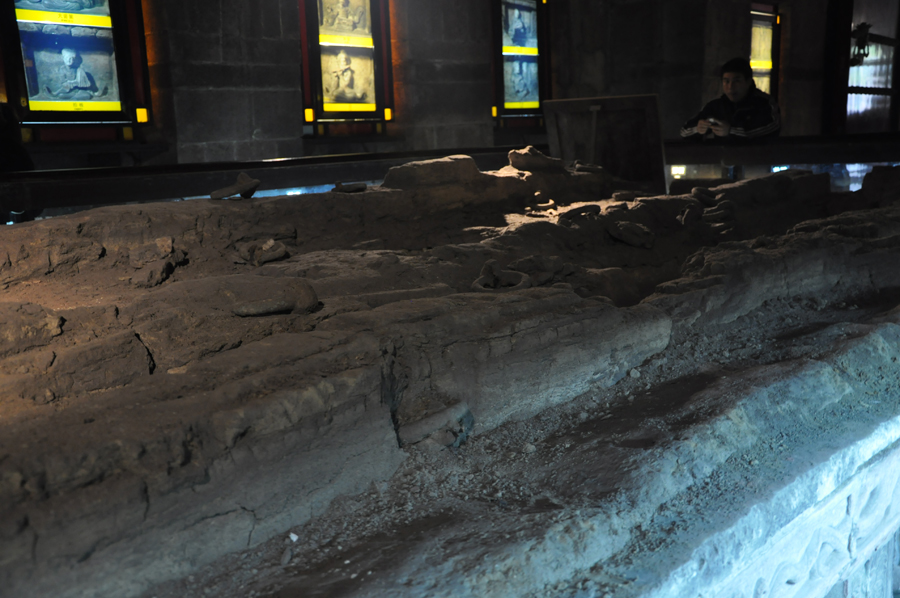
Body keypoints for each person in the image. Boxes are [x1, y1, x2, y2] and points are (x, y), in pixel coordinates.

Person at [681, 57, 780, 140]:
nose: (730, 86)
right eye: (726, 81)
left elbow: (772, 127)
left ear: (748, 82)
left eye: (736, 81)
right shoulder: (716, 106)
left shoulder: (764, 103)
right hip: (724, 161)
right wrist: (698, 129)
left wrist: (731, 130)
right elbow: (684, 131)